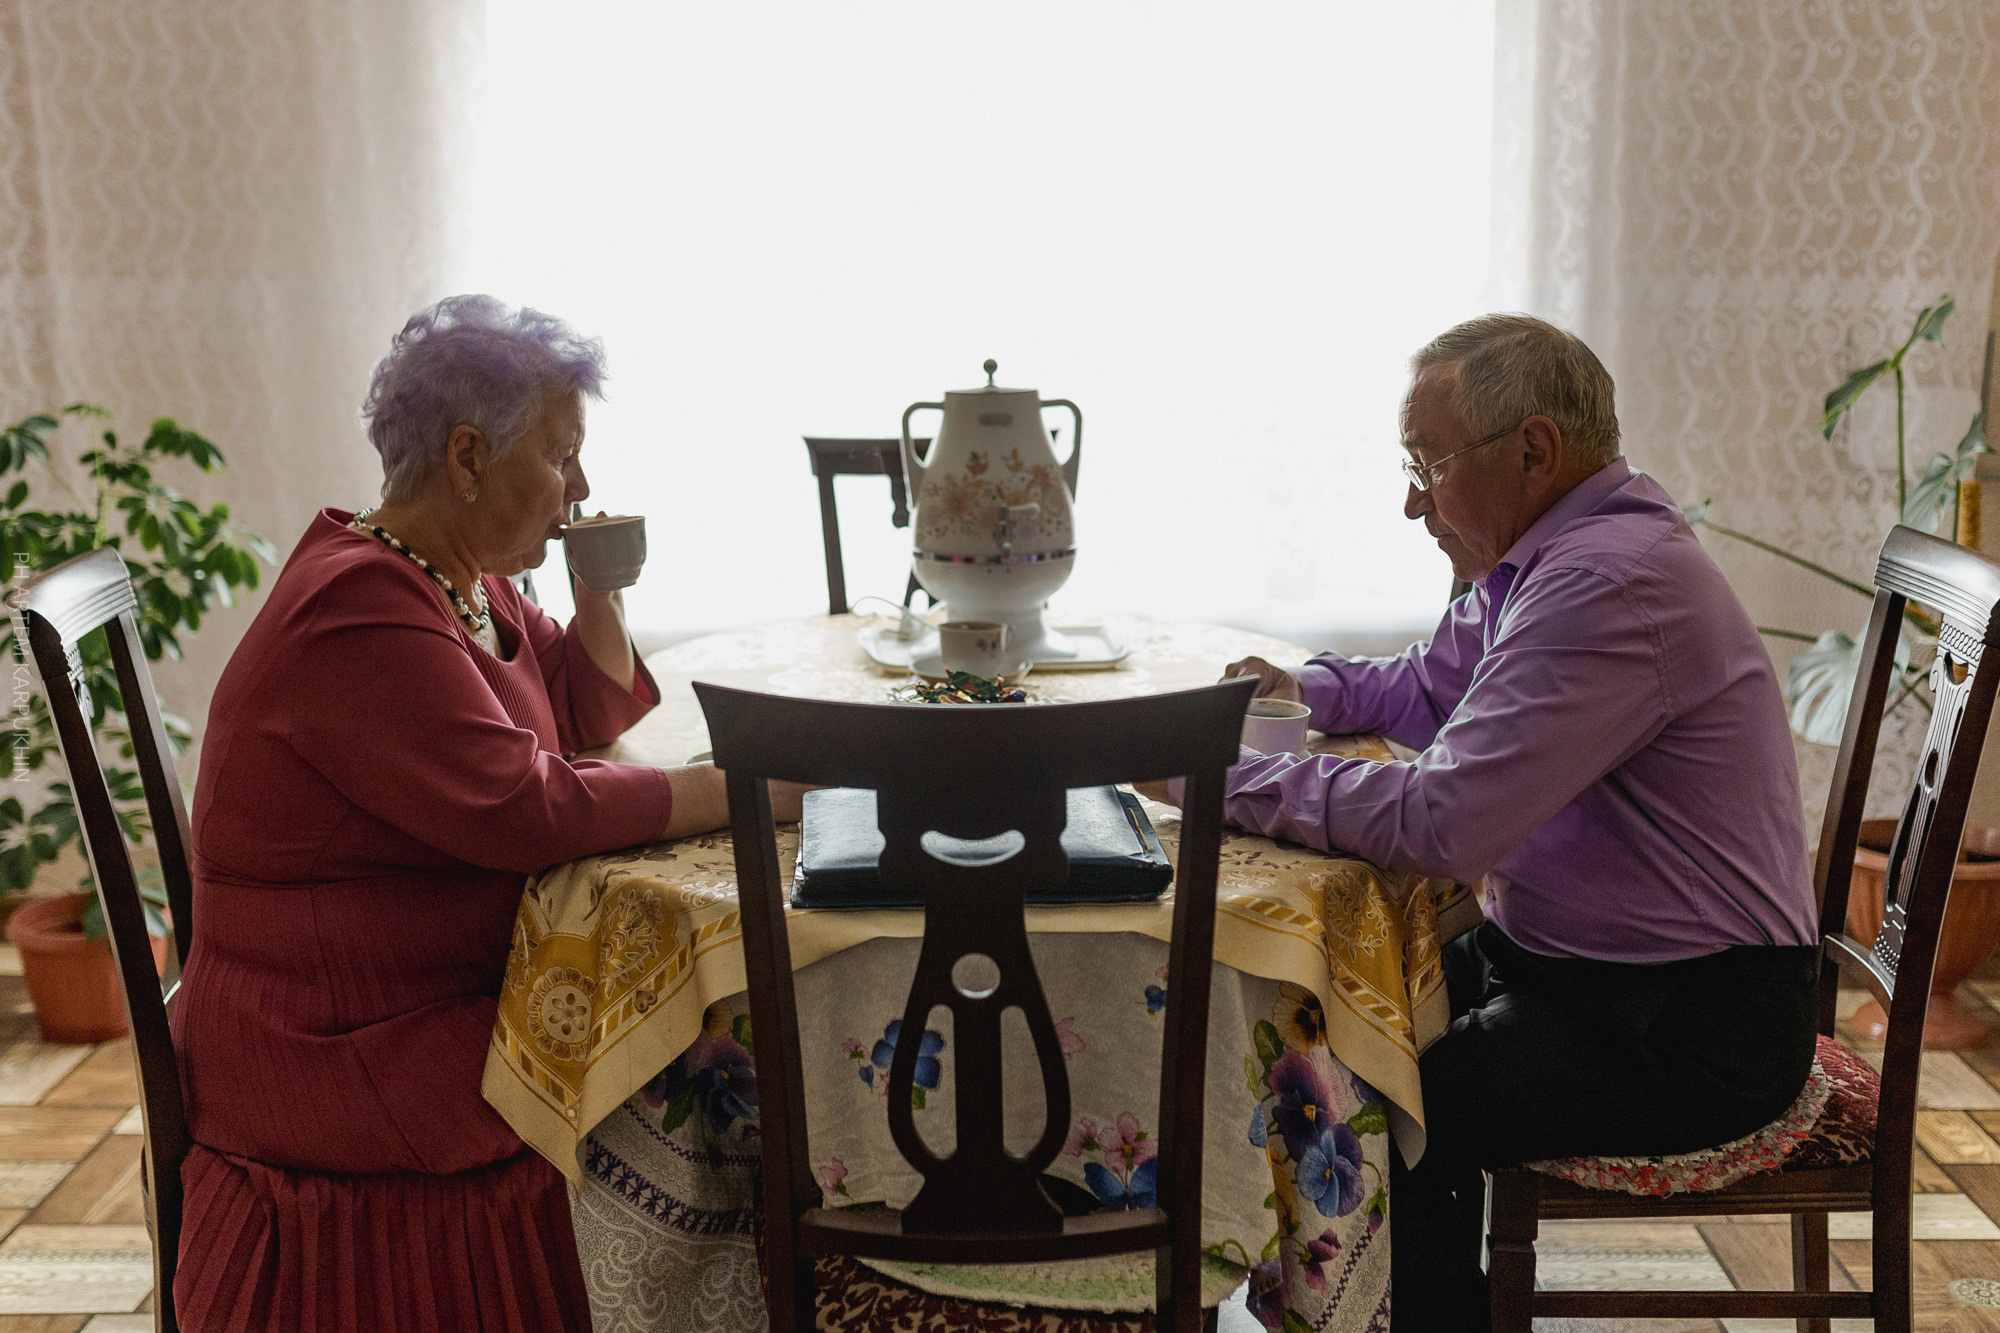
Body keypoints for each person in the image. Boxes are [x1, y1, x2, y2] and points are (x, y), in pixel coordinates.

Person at [1148, 314, 1820, 1331]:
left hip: (1683, 1020)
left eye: (1427, 464)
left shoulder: (1605, 580)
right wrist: (1306, 688)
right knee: (1318, 1024)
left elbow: (1439, 823)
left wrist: (1211, 779)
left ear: (1534, 448)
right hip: (1574, 970)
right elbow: (1430, 685)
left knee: (1371, 1118)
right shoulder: (1546, 555)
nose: (1411, 500)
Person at [171, 296, 800, 1330]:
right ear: (466, 458)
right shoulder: (358, 611)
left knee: (711, 1047)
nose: (581, 486)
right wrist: (750, 791)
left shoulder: (454, 582)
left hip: (420, 995)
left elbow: (582, 708)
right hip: (338, 1038)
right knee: (709, 1088)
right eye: (561, 457)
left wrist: (597, 579)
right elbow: (530, 806)